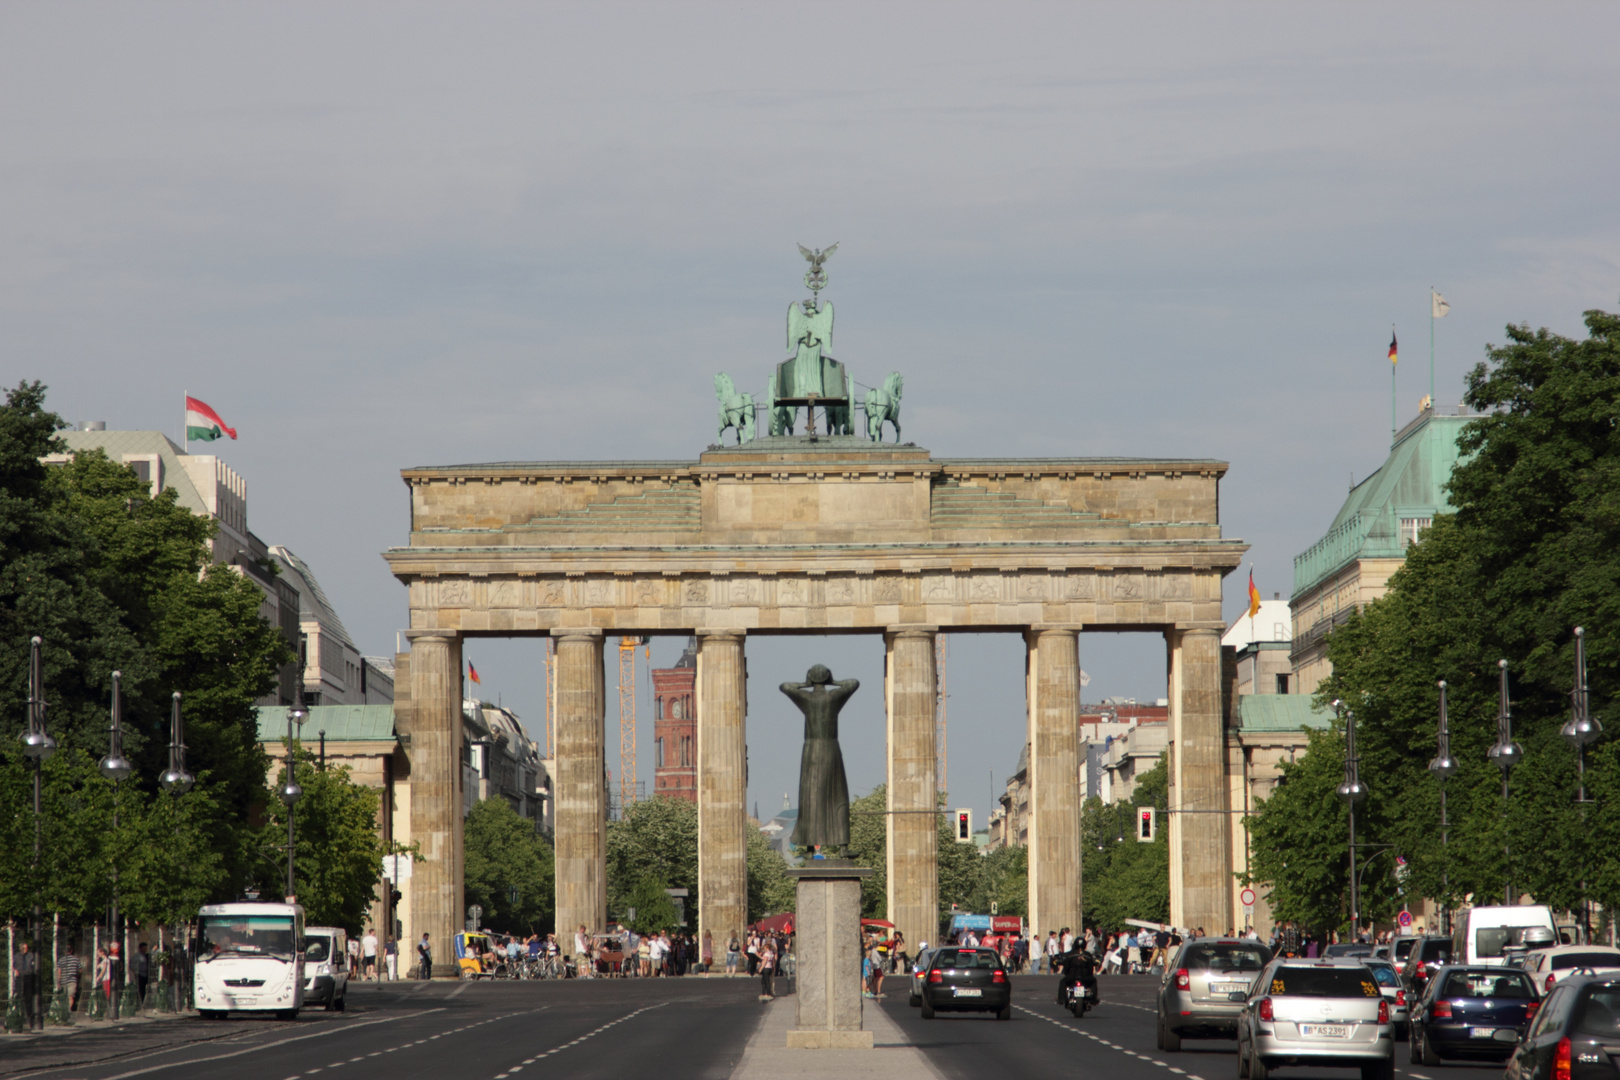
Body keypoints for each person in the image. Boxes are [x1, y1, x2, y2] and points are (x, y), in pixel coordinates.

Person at [1055, 943, 1099, 1008]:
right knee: (1093, 981)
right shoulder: (1087, 955)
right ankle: (1093, 999)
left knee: (1063, 982)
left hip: (1072, 977)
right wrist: (1089, 974)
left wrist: (1067, 973)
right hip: (1085, 977)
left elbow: (1066, 967)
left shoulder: (1070, 954)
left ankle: (1062, 999)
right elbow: (1090, 968)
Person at [13, 940, 40, 1029]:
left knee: (28, 997)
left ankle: (30, 1016)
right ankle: (18, 1014)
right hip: (19, 977)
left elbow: (34, 965)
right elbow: (12, 965)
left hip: (28, 976)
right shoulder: (16, 957)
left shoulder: (31, 956)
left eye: (26, 948)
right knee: (19, 995)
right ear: (20, 948)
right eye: (24, 948)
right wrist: (14, 971)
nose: (25, 949)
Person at [59, 941, 82, 1012]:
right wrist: (77, 975)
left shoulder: (61, 960)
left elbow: (59, 971)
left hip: (63, 980)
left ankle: (64, 1010)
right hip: (72, 980)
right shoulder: (76, 959)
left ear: (64, 951)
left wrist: (59, 980)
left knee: (64, 997)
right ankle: (68, 1010)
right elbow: (81, 969)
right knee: (71, 996)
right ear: (71, 950)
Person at [134, 941, 151, 1008]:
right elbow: (132, 965)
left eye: (146, 948)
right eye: (144, 948)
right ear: (140, 948)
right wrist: (137, 970)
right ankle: (139, 1003)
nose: (145, 950)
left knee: (145, 989)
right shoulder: (137, 956)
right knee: (140, 989)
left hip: (146, 974)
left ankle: (143, 1002)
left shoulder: (146, 956)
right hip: (140, 974)